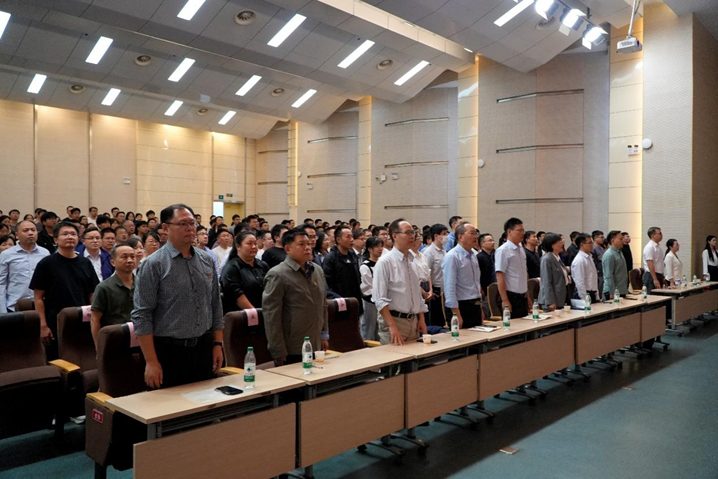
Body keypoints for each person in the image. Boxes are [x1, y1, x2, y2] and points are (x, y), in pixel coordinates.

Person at [132, 204, 224, 389]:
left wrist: (217, 344)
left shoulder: (206, 259)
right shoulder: (154, 264)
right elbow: (142, 314)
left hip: (204, 347)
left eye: (192, 223)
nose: (190, 228)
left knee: (206, 400)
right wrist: (151, 361)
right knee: (172, 404)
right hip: (169, 351)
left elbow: (215, 303)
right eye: (183, 224)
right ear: (165, 228)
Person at [30, 221, 100, 360]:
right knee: (59, 359)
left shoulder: (85, 263)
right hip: (55, 321)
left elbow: (92, 293)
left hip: (83, 319)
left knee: (84, 357)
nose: (70, 237)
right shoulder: (46, 263)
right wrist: (43, 325)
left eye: (73, 234)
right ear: (56, 239)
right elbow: (38, 298)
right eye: (65, 234)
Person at [262, 228, 329, 365]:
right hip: (292, 346)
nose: (307, 248)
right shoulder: (278, 274)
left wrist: (324, 334)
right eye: (301, 244)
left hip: (315, 342)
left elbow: (323, 305)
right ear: (288, 249)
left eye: (308, 244)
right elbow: (271, 316)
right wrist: (277, 348)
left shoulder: (317, 270)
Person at [372, 219, 428, 345]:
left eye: (413, 232)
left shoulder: (413, 261)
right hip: (394, 320)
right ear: (395, 236)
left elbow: (416, 293)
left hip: (413, 320)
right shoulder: (385, 262)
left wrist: (421, 318)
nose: (412, 236)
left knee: (415, 357)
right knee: (396, 357)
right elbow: (379, 299)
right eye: (407, 232)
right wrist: (392, 326)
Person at [90, 244, 136, 349]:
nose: (129, 260)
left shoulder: (143, 283)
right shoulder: (104, 287)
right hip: (115, 339)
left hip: (140, 337)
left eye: (132, 257)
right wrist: (99, 346)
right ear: (113, 262)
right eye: (124, 257)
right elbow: (95, 319)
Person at [0, 221, 49, 312]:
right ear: (17, 235)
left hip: (41, 305)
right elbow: (1, 283)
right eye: (26, 230)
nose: (30, 233)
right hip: (14, 305)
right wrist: (2, 310)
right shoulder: (6, 255)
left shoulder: (45, 253)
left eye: (33, 230)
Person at [442, 223, 483, 328]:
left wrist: (480, 308)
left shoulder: (473, 255)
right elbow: (449, 287)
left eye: (476, 233)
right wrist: (456, 313)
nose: (476, 236)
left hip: (475, 305)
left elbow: (476, 283)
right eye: (472, 233)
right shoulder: (452, 256)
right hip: (460, 306)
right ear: (460, 236)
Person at [221, 231, 269, 313]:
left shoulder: (263, 265)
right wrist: (257, 313)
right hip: (241, 314)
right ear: (238, 246)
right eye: (249, 244)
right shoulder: (231, 268)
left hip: (264, 310)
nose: (254, 247)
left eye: (255, 243)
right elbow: (236, 295)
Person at [495, 218, 530, 318]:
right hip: (511, 296)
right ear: (509, 231)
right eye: (519, 230)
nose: (523, 233)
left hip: (523, 296)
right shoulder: (503, 250)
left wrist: (528, 296)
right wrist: (505, 300)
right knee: (513, 326)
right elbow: (500, 275)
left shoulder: (521, 249)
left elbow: (524, 273)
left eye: (523, 230)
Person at [322, 226, 363, 311]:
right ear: (338, 239)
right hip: (338, 302)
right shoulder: (330, 258)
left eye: (352, 237)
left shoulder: (353, 256)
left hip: (354, 300)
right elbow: (328, 283)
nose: (352, 240)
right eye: (348, 237)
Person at [423, 223, 449, 327]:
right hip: (435, 292)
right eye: (444, 234)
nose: (446, 236)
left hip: (445, 290)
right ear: (436, 236)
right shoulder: (428, 252)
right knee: (437, 321)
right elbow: (426, 273)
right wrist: (430, 289)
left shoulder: (444, 251)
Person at [360, 237, 383, 341]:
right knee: (369, 328)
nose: (380, 249)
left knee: (380, 329)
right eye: (377, 246)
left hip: (381, 300)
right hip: (370, 301)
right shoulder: (365, 266)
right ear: (370, 249)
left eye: (381, 246)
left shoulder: (382, 263)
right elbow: (368, 288)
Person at [538, 233, 568, 311]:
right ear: (552, 245)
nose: (562, 243)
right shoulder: (547, 259)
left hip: (560, 298)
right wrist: (550, 301)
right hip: (551, 300)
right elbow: (546, 282)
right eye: (559, 241)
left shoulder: (557, 257)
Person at [571, 233, 599, 303]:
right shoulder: (579, 260)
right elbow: (580, 282)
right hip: (584, 294)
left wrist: (597, 295)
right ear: (582, 245)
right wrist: (584, 299)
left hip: (592, 293)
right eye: (590, 243)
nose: (592, 245)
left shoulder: (589, 257)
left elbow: (593, 278)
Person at [602, 231, 628, 300]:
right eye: (620, 239)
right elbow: (608, 275)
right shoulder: (609, 254)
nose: (623, 241)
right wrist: (612, 292)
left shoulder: (620, 252)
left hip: (621, 289)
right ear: (613, 241)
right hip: (613, 292)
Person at [642, 226, 665, 292]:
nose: (662, 235)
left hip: (658, 275)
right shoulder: (650, 247)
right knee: (652, 296)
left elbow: (659, 263)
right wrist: (655, 279)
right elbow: (650, 263)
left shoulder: (658, 247)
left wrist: (662, 277)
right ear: (653, 235)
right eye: (660, 233)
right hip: (651, 276)